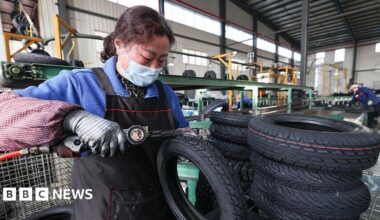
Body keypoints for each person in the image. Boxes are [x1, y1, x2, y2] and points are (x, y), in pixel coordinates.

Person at [0, 6, 189, 220]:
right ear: (120, 45)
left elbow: (182, 136)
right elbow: (4, 111)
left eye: (162, 61)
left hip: (160, 206)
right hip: (103, 209)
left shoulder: (166, 94)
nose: (154, 68)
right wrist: (72, 118)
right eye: (147, 57)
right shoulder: (81, 84)